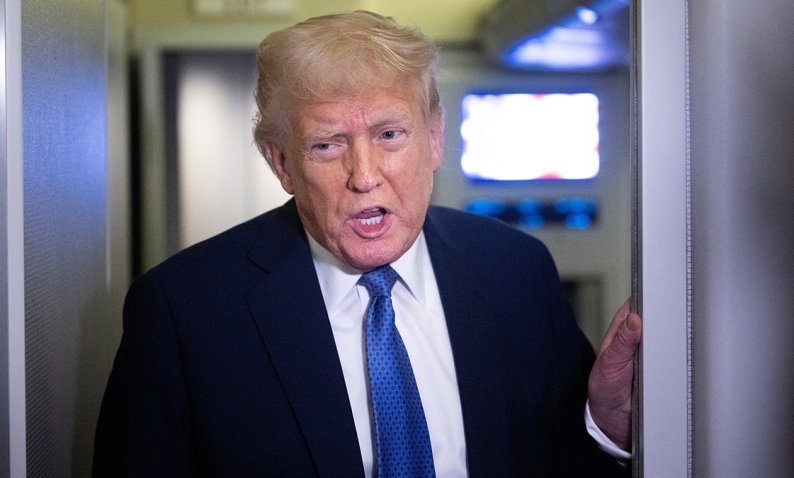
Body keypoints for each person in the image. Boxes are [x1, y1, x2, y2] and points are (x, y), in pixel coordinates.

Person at [93, 10, 642, 477]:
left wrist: (609, 423)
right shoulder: (183, 310)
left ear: (433, 139)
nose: (364, 176)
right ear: (281, 163)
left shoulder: (517, 271)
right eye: (327, 145)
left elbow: (569, 460)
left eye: (388, 135)